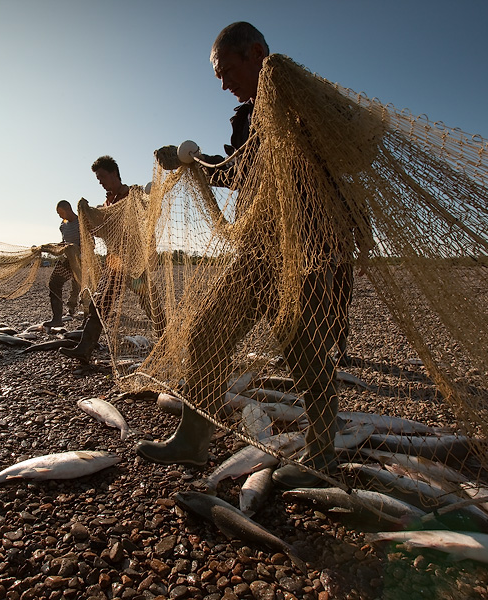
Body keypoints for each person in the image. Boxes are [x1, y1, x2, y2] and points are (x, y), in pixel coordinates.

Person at [137, 22, 372, 489]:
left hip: (304, 250)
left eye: (227, 70)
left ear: (257, 53)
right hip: (258, 247)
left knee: (303, 350)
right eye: (218, 75)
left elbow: (352, 149)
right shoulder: (246, 116)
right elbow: (240, 172)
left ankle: (323, 447)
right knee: (206, 333)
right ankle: (194, 438)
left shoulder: (304, 98)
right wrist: (192, 161)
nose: (223, 83)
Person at [60, 155, 165, 363]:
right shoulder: (108, 203)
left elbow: (151, 213)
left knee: (150, 302)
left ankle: (168, 341)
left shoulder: (132, 194)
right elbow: (102, 231)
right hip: (115, 262)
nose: (100, 181)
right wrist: (89, 216)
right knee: (102, 301)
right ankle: (85, 346)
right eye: (97, 179)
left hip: (134, 262)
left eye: (102, 177)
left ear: (114, 174)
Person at [40, 200, 82, 327]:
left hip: (82, 261)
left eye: (60, 213)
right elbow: (64, 242)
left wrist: (79, 250)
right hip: (67, 260)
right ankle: (57, 319)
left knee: (83, 289)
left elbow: (90, 241)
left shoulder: (81, 222)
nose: (59, 216)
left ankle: (88, 321)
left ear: (67, 209)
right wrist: (58, 246)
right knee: (54, 283)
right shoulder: (63, 226)